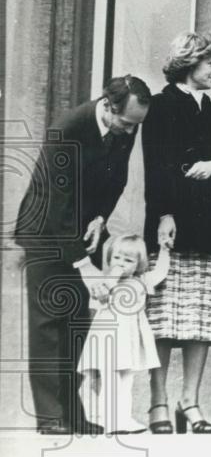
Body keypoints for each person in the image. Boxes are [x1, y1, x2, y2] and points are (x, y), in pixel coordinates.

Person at [14, 75, 151, 434]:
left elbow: (117, 179)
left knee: (77, 325)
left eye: (135, 126)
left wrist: (99, 218)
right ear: (108, 106)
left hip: (80, 228)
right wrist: (83, 265)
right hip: (45, 231)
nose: (129, 133)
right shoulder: (67, 128)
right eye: (125, 123)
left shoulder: (127, 126)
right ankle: (49, 417)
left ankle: (71, 414)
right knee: (48, 325)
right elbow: (57, 204)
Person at [142, 32, 211, 434]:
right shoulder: (162, 106)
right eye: (210, 63)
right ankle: (158, 404)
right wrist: (165, 213)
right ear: (189, 64)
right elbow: (156, 165)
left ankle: (191, 403)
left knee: (202, 319)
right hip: (172, 224)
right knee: (165, 319)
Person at [78, 235, 170, 434]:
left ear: (138, 265)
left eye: (129, 260)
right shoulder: (102, 282)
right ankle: (108, 420)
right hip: (107, 338)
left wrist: (164, 250)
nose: (121, 263)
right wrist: (111, 279)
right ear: (109, 259)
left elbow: (161, 272)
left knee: (127, 379)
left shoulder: (142, 280)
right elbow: (97, 297)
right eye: (117, 258)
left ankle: (124, 418)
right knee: (110, 378)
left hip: (129, 339)